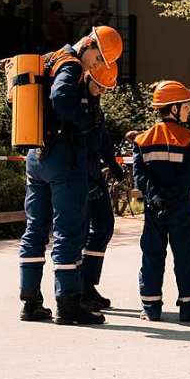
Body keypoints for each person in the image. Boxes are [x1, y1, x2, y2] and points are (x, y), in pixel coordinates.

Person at [18, 25, 124, 325]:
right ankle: (68, 305)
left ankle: (30, 301)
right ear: (90, 45)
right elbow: (61, 98)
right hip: (64, 158)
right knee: (70, 231)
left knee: (35, 229)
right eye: (99, 60)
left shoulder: (50, 58)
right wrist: (85, 121)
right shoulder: (72, 65)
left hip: (37, 155)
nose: (97, 67)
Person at [132, 80, 190, 323]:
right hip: (180, 207)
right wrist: (173, 199)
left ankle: (151, 307)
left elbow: (140, 176)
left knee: (152, 255)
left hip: (154, 209)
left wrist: (155, 198)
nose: (188, 110)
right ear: (173, 108)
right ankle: (189, 307)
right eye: (185, 106)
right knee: (184, 255)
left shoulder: (142, 140)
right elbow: (189, 176)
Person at [80, 60, 125, 312]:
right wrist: (86, 179)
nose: (102, 91)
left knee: (104, 227)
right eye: (99, 86)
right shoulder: (76, 103)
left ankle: (88, 283)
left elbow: (103, 140)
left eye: (106, 88)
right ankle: (76, 289)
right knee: (80, 232)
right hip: (80, 176)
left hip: (93, 174)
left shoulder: (96, 107)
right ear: (88, 78)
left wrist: (115, 167)